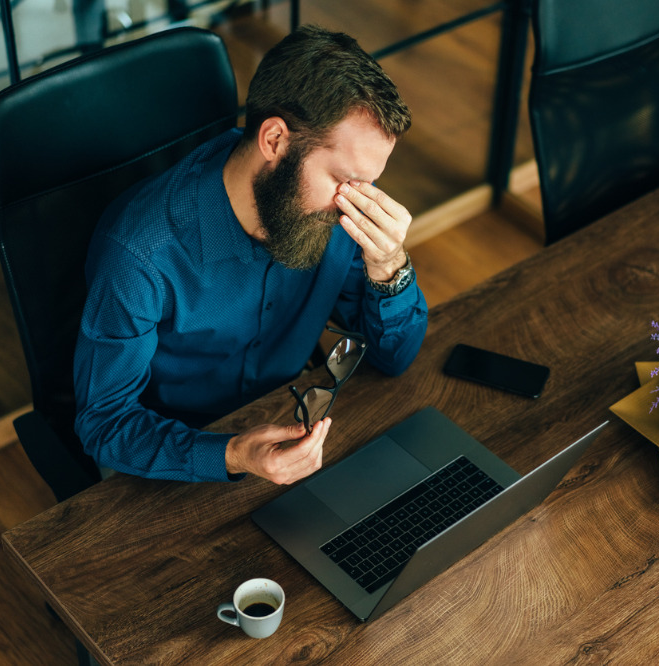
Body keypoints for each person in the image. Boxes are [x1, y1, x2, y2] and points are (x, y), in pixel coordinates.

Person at [73, 26, 428, 485]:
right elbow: (105, 422)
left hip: (296, 416)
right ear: (276, 140)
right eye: (345, 180)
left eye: (369, 182)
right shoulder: (140, 253)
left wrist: (389, 267)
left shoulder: (336, 208)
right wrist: (232, 453)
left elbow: (393, 359)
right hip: (179, 452)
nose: (357, 201)